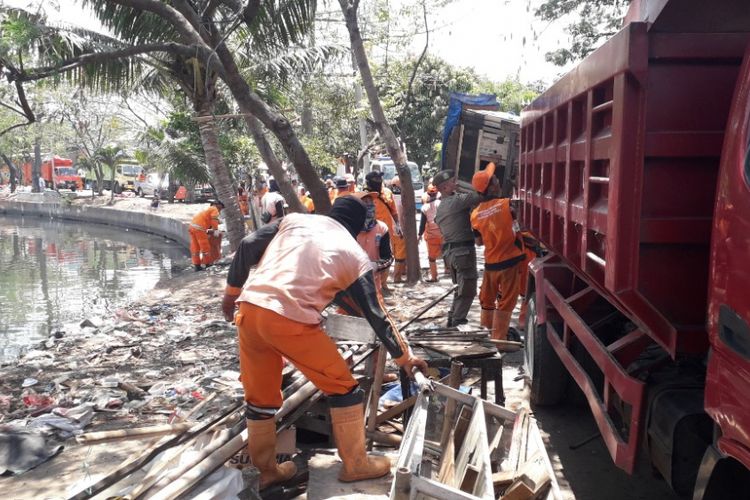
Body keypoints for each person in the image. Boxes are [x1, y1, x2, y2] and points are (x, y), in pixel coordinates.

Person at [221, 196, 427, 488]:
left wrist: (230, 295)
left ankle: (268, 473)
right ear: (358, 229)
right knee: (344, 388)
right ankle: (356, 465)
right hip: (288, 320)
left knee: (261, 401)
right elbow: (376, 314)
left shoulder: (295, 221)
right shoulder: (353, 254)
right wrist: (405, 358)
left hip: (250, 310)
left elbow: (247, 245)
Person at [470, 163, 525, 340]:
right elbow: (522, 224)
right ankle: (499, 339)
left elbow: (478, 242)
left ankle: (486, 336)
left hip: (490, 264)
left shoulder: (475, 214)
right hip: (510, 262)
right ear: (492, 187)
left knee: (487, 300)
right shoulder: (506, 205)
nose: (498, 181)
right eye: (495, 179)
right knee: (506, 302)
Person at [433, 169, 483, 327]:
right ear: (445, 188)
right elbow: (479, 196)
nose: (456, 184)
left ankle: (452, 319)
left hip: (453, 253)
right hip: (462, 253)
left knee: (460, 288)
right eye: (453, 182)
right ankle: (457, 322)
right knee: (467, 289)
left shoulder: (444, 204)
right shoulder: (454, 202)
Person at [363, 171, 401, 294]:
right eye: (376, 178)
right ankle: (372, 286)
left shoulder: (387, 193)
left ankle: (383, 284)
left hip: (386, 231)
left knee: (387, 257)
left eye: (380, 178)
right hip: (369, 232)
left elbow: (394, 211)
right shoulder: (362, 195)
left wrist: (398, 225)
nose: (379, 180)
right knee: (371, 258)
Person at [355, 192, 392, 294]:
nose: (369, 205)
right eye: (365, 202)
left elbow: (388, 258)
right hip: (352, 285)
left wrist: (376, 265)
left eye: (371, 202)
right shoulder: (350, 229)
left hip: (374, 286)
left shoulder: (381, 228)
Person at [189, 200, 224, 271]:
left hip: (192, 227)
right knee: (205, 247)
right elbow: (214, 220)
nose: (220, 211)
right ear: (217, 205)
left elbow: (208, 220)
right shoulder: (214, 208)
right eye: (220, 208)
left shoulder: (207, 209)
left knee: (195, 247)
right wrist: (216, 229)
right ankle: (207, 264)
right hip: (199, 228)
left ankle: (197, 265)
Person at [418, 184, 443, 282]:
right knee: (448, 254)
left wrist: (419, 235)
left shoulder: (424, 208)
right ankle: (449, 270)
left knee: (432, 258)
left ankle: (434, 277)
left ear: (427, 194)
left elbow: (422, 223)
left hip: (432, 236)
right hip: (444, 234)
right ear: (437, 194)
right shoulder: (442, 204)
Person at [388, 176, 407, 283]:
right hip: (400, 231)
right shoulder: (402, 199)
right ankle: (397, 277)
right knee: (400, 256)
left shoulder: (389, 197)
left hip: (389, 231)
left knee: (393, 254)